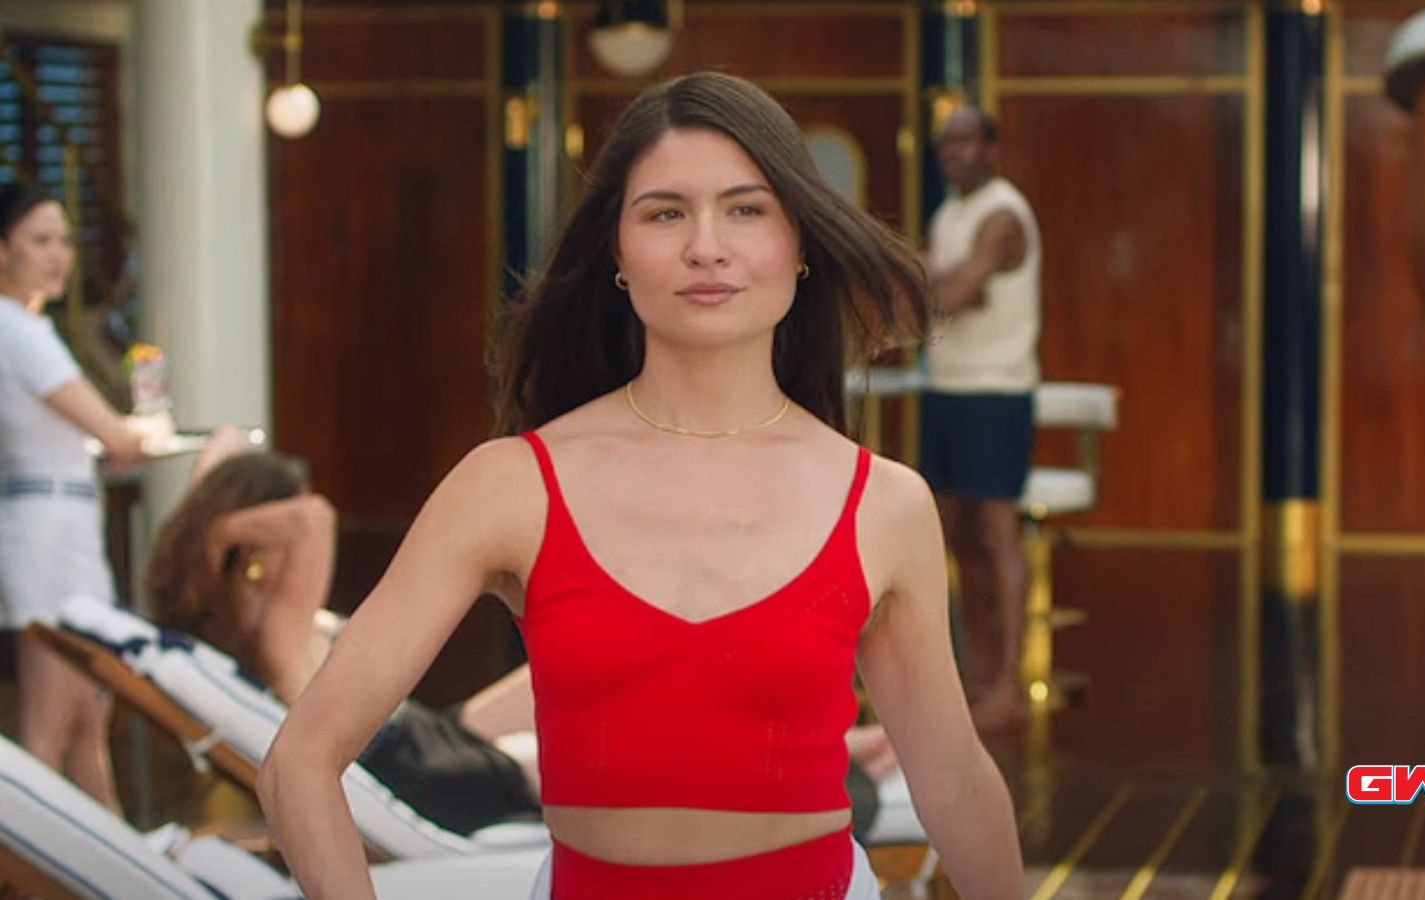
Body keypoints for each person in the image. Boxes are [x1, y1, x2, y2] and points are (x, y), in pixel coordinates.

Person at [259, 71, 1025, 899]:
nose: (706, 245)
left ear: (799, 242)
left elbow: (952, 783)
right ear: (618, 253)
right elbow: (301, 761)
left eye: (746, 208)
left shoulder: (883, 503)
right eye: (665, 212)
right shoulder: (512, 487)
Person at [147, 434, 896, 838]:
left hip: (426, 738)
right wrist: (215, 524)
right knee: (618, 738)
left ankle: (801, 734)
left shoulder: (249, 616)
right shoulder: (272, 623)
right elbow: (311, 517)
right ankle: (813, 756)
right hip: (422, 772)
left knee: (566, 666)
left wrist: (211, 516)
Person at [0, 184, 154, 811]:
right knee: (52, 720)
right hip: (45, 530)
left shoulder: (30, 327)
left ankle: (113, 869)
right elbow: (115, 434)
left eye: (63, 240)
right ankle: (36, 873)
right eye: (39, 240)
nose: (58, 254)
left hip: (60, 522)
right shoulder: (19, 332)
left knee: (87, 714)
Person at [921, 107, 1042, 732]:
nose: (955, 152)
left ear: (992, 148)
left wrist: (938, 284)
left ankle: (1011, 686)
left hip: (996, 392)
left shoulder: (1002, 214)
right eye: (946, 143)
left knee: (996, 533)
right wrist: (938, 283)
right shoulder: (949, 215)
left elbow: (947, 295)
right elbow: (928, 287)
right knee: (957, 537)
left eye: (967, 140)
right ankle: (978, 673)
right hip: (947, 389)